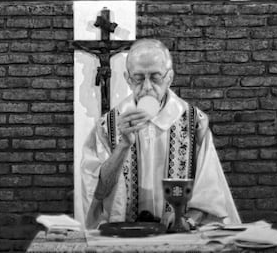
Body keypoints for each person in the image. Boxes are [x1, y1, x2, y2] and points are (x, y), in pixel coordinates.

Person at [80, 38, 241, 230]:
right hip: (125, 236)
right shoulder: (108, 126)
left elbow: (210, 194)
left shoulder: (194, 123)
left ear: (169, 78)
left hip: (179, 237)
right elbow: (97, 193)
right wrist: (122, 146)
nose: (147, 87)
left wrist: (187, 220)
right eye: (139, 78)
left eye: (155, 77)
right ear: (127, 79)